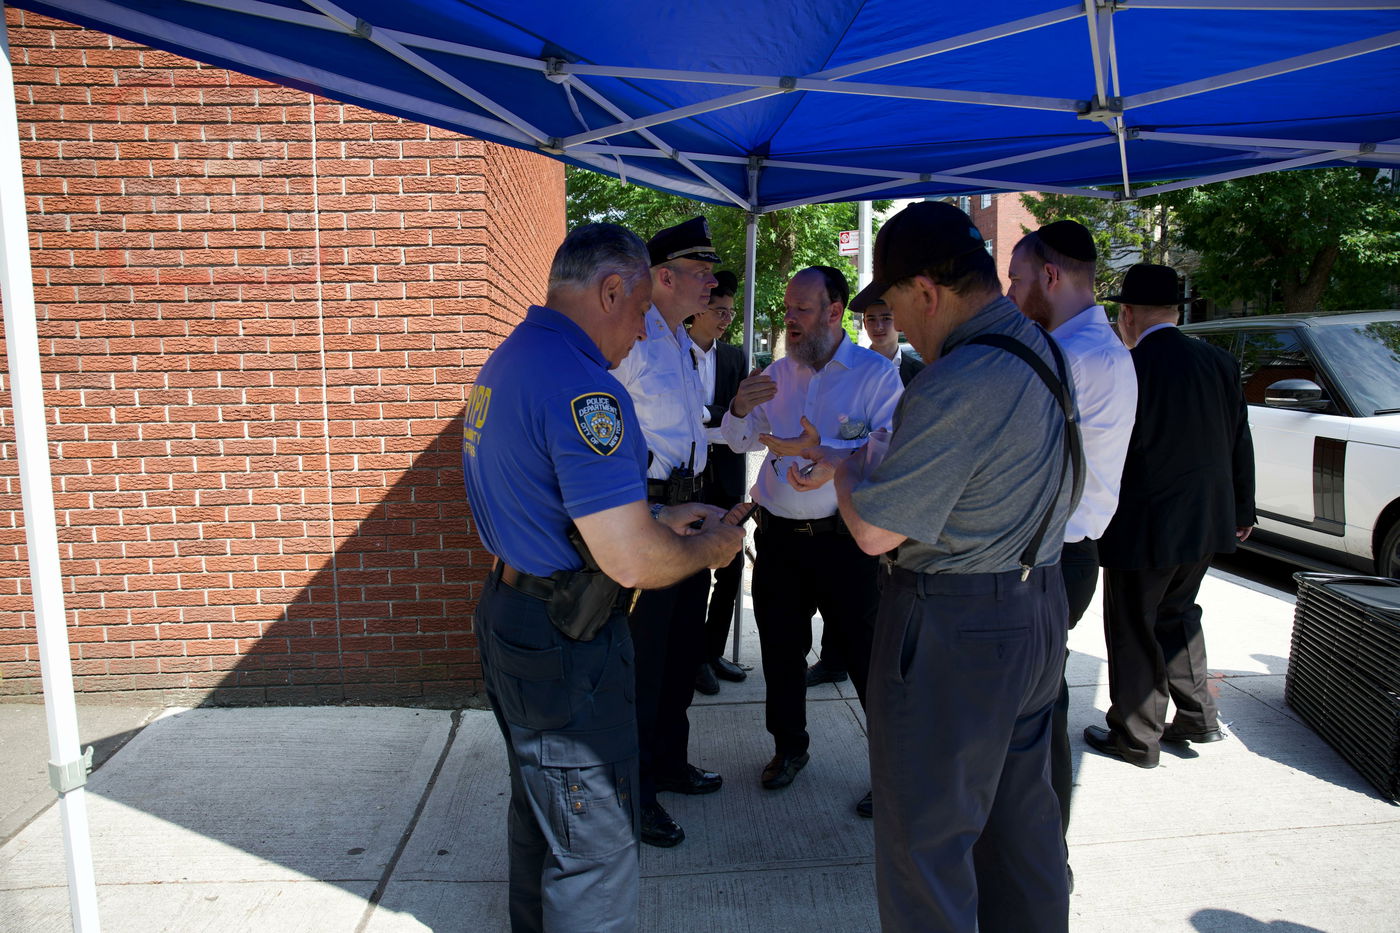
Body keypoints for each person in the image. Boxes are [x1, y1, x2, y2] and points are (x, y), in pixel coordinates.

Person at [461, 223, 744, 933]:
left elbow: (554, 501)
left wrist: (658, 513)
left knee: (543, 813)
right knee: (592, 844)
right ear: (611, 289)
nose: (646, 333)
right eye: (642, 311)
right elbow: (632, 562)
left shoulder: (510, 359)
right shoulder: (589, 391)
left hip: (513, 612)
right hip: (566, 639)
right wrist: (709, 549)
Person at [824, 200, 1078, 932]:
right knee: (1021, 831)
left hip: (955, 628)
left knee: (925, 848)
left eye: (897, 305)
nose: (898, 325)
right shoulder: (1042, 349)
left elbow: (874, 530)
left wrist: (844, 469)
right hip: (1036, 606)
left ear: (927, 292)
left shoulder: (959, 378)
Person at [720, 265, 902, 808]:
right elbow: (736, 441)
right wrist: (738, 407)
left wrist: (836, 460)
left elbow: (893, 445)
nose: (789, 319)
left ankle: (892, 771)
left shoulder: (874, 375)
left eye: (801, 309)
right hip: (779, 540)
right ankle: (789, 747)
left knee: (868, 656)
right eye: (786, 308)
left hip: (846, 540)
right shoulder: (776, 374)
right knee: (780, 651)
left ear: (833, 312)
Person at [1085, 263, 1255, 769]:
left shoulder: (1128, 366)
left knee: (1135, 623)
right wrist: (1242, 509)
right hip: (1208, 517)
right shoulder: (1218, 362)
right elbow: (1239, 440)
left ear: (1129, 313)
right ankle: (1198, 717)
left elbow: (1113, 448)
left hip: (1145, 521)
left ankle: (1136, 737)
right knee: (1179, 613)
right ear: (1176, 311)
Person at [1006, 221, 1136, 858]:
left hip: (1053, 554)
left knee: (1034, 714)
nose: (1010, 293)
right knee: (1038, 703)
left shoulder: (1070, 356)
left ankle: (1039, 850)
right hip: (1069, 551)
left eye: (1017, 278)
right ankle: (1038, 845)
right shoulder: (1098, 346)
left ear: (1050, 278)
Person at [611, 216, 724, 848]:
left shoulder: (680, 341)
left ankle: (670, 763)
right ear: (664, 277)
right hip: (653, 514)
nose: (712, 280)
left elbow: (688, 430)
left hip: (691, 509)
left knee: (681, 653)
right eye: (701, 270)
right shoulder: (631, 341)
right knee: (645, 665)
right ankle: (637, 791)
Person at [803, 290, 926, 692]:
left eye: (886, 318)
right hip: (846, 500)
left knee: (870, 605)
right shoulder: (849, 369)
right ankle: (833, 657)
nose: (878, 325)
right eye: (871, 319)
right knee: (845, 600)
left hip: (890, 499)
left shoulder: (918, 370)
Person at [690, 271, 750, 696]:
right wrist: (721, 416)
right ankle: (691, 658)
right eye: (719, 311)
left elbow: (742, 418)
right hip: (688, 483)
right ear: (699, 309)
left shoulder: (735, 358)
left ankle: (711, 652)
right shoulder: (672, 352)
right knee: (692, 570)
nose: (726, 319)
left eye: (730, 312)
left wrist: (714, 417)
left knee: (730, 568)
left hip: (728, 476)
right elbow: (683, 417)